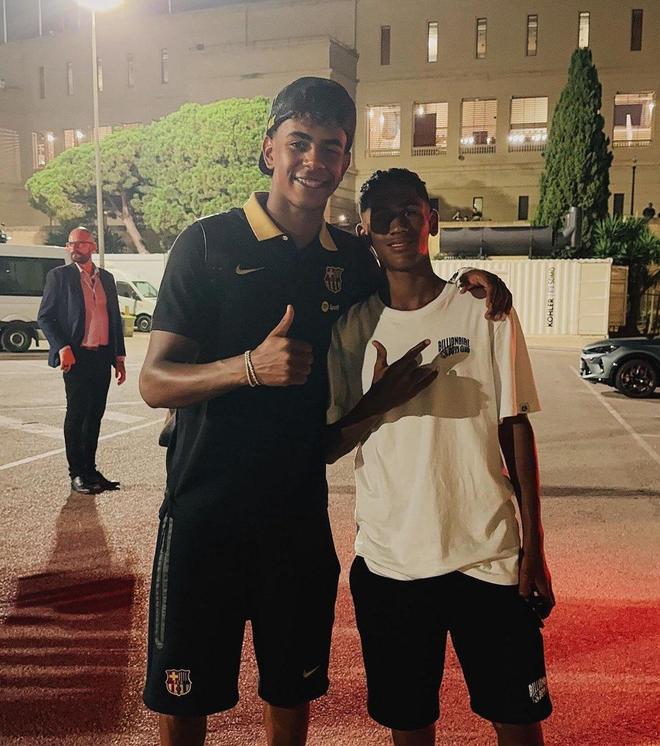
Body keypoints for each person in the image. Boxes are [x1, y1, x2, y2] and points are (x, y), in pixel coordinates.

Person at [139, 78, 512, 746]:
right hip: (203, 514)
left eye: (331, 147)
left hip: (296, 521)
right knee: (185, 696)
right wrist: (247, 368)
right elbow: (154, 381)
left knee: (291, 690)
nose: (314, 160)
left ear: (345, 161)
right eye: (299, 142)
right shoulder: (207, 243)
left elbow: (411, 276)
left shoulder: (353, 259)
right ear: (269, 150)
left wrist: (470, 283)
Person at [325, 168, 554, 746]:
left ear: (431, 218)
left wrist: (534, 549)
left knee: (520, 722)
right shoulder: (351, 328)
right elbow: (329, 446)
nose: (398, 224)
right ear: (365, 229)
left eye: (410, 210)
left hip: (488, 554)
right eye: (382, 214)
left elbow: (514, 426)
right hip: (392, 560)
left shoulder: (484, 308)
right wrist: (379, 402)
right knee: (410, 725)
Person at [38, 226, 126, 494]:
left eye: (80, 243)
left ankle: (90, 470)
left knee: (95, 415)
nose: (74, 248)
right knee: (77, 414)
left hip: (101, 356)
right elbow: (45, 317)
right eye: (71, 244)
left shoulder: (107, 278)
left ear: (93, 246)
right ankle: (76, 473)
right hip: (76, 357)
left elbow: (114, 319)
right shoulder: (59, 277)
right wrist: (62, 346)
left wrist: (119, 357)